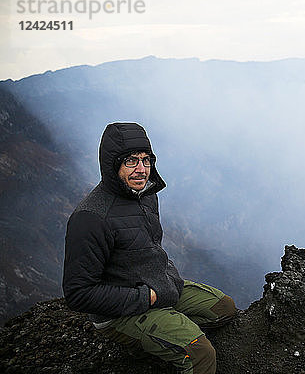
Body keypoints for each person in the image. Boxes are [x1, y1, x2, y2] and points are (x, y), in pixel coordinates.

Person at [62, 122, 235, 374]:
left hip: (161, 288)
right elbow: (78, 293)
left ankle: (168, 335)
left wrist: (167, 280)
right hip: (121, 313)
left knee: (223, 308)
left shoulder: (145, 196)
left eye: (146, 160)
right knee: (201, 353)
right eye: (131, 161)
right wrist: (144, 297)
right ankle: (172, 339)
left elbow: (151, 247)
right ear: (112, 164)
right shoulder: (91, 217)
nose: (142, 169)